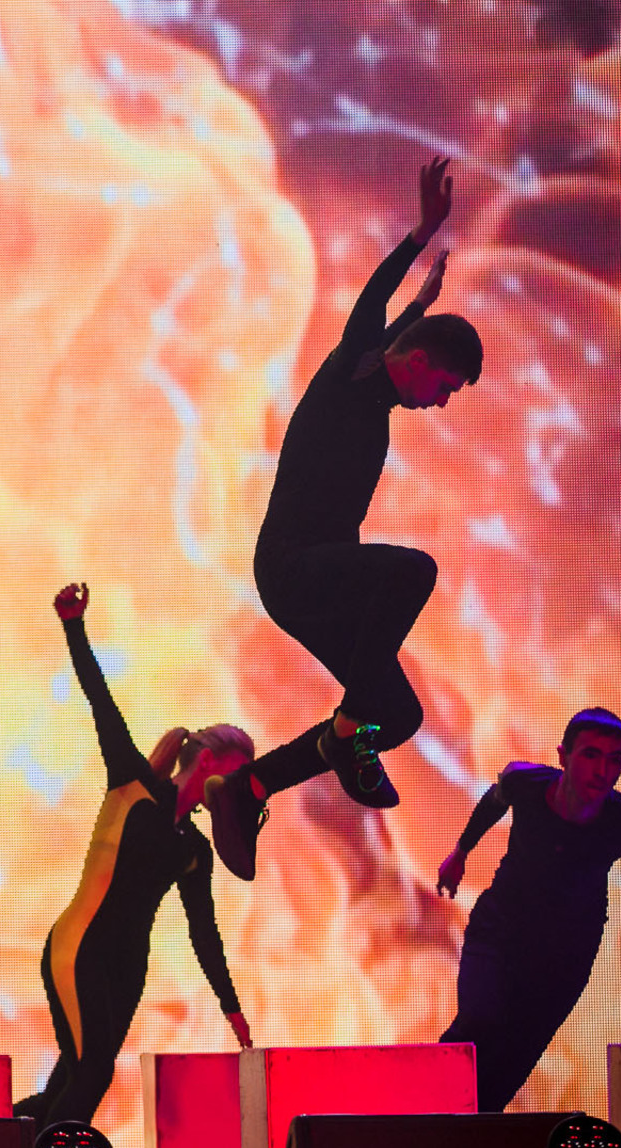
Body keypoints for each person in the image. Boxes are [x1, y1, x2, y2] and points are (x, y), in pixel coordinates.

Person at [206, 156, 484, 880]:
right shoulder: (349, 374)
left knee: (399, 714)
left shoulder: (381, 387)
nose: (442, 402)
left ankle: (248, 789)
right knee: (414, 572)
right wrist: (420, 235)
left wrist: (422, 306)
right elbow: (372, 308)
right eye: (445, 385)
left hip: (321, 584)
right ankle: (346, 729)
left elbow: (396, 334)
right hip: (292, 568)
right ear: (417, 363)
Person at [17, 585, 254, 1127]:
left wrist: (231, 1006)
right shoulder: (133, 784)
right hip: (79, 947)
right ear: (209, 763)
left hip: (127, 968)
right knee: (92, 1073)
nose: (240, 788)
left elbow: (204, 933)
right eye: (238, 774)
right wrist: (74, 625)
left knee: (72, 1083)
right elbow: (100, 700)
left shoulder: (194, 849)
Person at [435, 708, 621, 1111]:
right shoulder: (524, 781)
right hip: (499, 929)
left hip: (564, 957)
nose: (603, 771)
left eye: (615, 759)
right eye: (591, 755)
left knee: (509, 1064)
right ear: (563, 756)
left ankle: (465, 1138)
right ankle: (424, 1114)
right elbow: (494, 800)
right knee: (478, 1023)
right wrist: (460, 852)